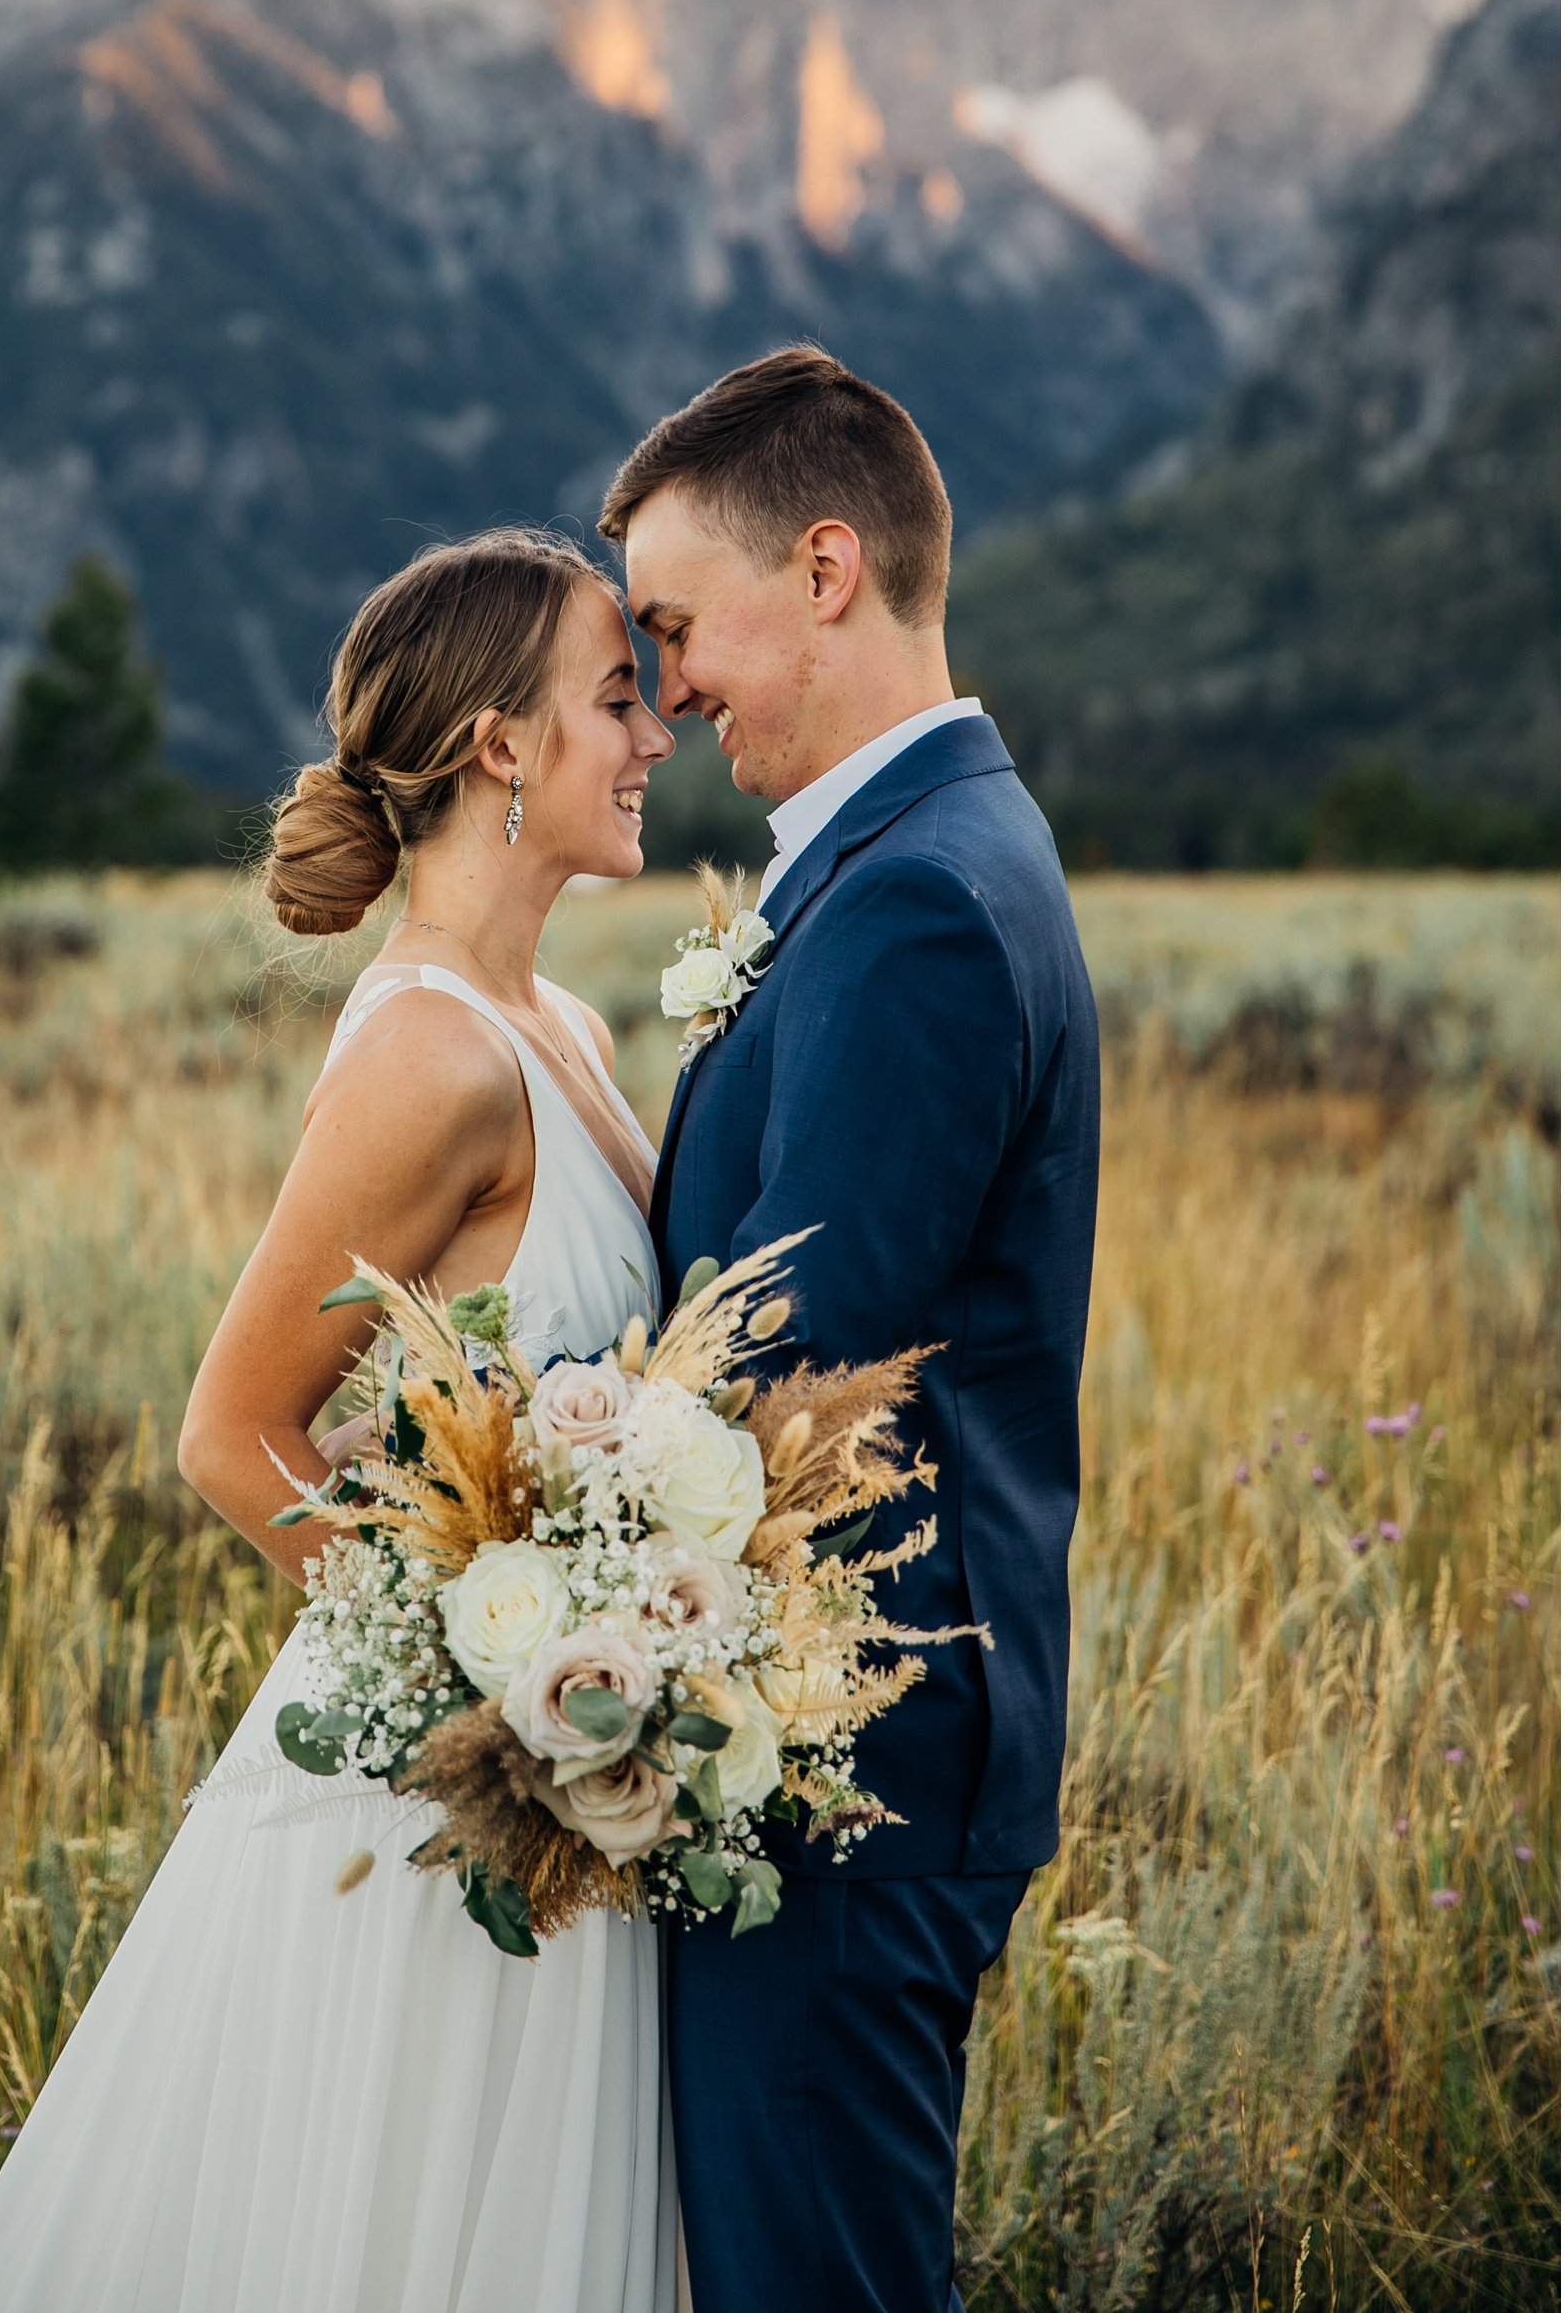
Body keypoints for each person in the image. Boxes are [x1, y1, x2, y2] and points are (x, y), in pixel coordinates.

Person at [0, 528, 678, 2314]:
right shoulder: (432, 1048)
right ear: (503, 746)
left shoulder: (555, 1014)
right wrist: (482, 1681)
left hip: (588, 1759)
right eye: (614, 697)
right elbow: (231, 1433)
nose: (655, 734)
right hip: (472, 1793)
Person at [601, 344, 1100, 2317]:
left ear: (822, 570)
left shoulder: (914, 900)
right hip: (830, 1726)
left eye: (673, 623)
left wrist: (531, 1454)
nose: (664, 688)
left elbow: (801, 1339)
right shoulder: (922, 858)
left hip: (848, 1744)